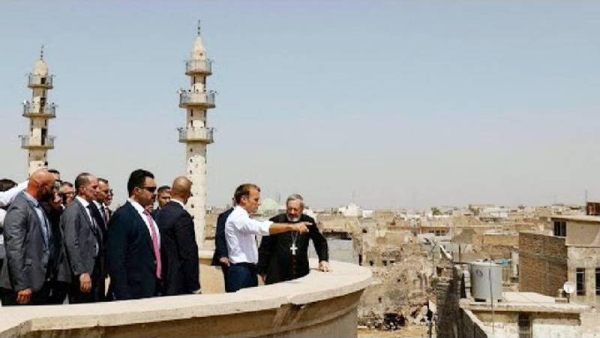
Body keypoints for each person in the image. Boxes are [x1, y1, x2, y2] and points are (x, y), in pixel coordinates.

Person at [224, 183, 310, 293]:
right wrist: (291, 227)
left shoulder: (244, 217)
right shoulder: (237, 218)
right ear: (244, 199)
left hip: (249, 270)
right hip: (240, 272)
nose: (259, 203)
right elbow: (261, 228)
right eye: (256, 199)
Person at [0, 169, 58, 305]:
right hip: (23, 286)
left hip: (39, 283)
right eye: (51, 187)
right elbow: (15, 250)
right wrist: (22, 285)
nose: (54, 191)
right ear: (41, 187)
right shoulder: (19, 209)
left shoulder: (38, 207)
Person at [107, 169, 162, 300]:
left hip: (152, 288)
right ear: (136, 190)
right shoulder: (123, 216)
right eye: (150, 189)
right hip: (133, 292)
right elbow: (116, 260)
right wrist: (123, 296)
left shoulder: (148, 217)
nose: (154, 194)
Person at [258, 194, 330, 285]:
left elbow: (320, 242)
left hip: (301, 272)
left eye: (295, 209)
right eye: (289, 209)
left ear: (301, 209)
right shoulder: (275, 222)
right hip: (277, 274)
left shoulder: (308, 222)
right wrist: (261, 272)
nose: (292, 212)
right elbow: (264, 249)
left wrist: (323, 260)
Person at [61, 173, 105, 303]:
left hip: (95, 270)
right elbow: (71, 242)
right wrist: (81, 272)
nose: (97, 190)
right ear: (82, 189)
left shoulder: (91, 209)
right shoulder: (73, 210)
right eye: (94, 187)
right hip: (83, 273)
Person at [155, 177, 199, 295]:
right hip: (179, 283)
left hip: (162, 280)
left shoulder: (159, 214)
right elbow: (188, 254)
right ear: (188, 195)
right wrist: (195, 287)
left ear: (171, 191)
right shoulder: (182, 216)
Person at [210, 201, 234, 288]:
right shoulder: (225, 216)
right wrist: (223, 255)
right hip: (228, 262)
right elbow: (220, 236)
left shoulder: (247, 216)